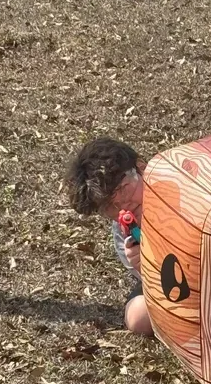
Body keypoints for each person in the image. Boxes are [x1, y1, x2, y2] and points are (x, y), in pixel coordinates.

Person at [64, 136, 153, 335]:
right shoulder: (126, 234)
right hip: (170, 280)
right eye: (110, 205)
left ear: (141, 167)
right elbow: (159, 285)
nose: (124, 204)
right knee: (138, 317)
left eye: (124, 189)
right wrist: (145, 267)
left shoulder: (177, 188)